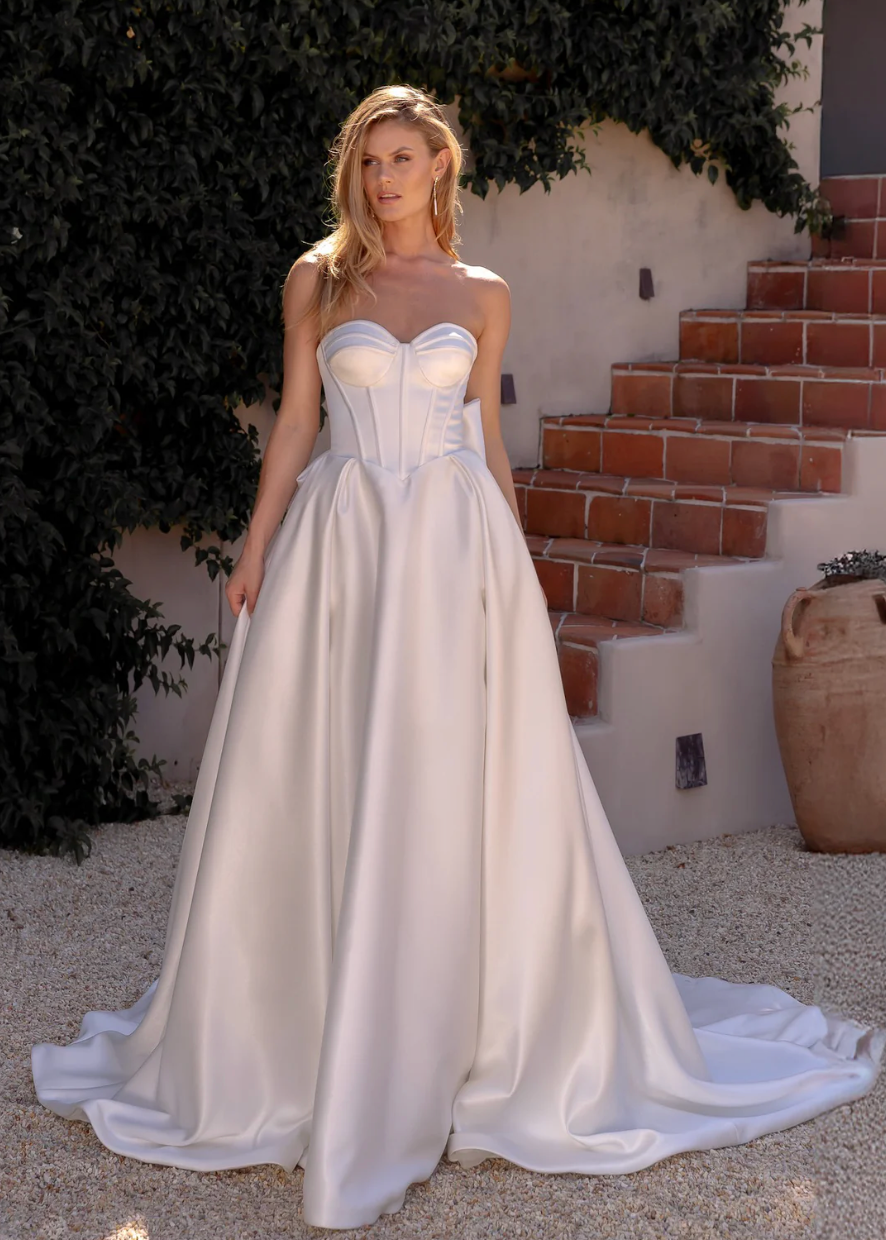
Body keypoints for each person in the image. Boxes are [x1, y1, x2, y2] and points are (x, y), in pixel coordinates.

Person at [31, 83, 885, 1232]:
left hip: (449, 548)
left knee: (449, 776)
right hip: (339, 548)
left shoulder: (484, 295)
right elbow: (295, 421)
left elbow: (487, 436)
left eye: (402, 159)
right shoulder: (316, 277)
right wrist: (254, 541)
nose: (383, 179)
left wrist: (517, 570)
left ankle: (456, 1018)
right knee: (324, 769)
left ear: (440, 167)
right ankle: (313, 1015)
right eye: (369, 161)